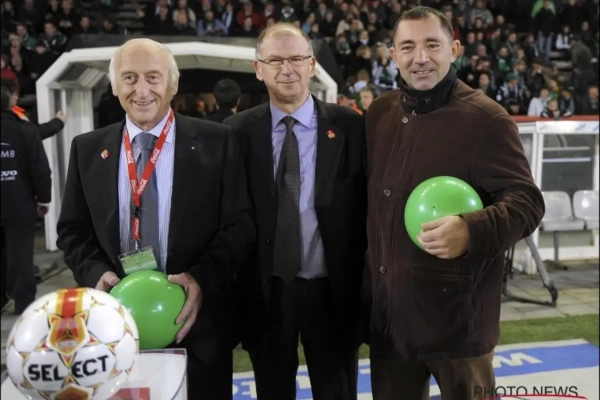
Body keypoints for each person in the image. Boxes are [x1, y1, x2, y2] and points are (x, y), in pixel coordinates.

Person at [56, 38, 255, 399]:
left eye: (153, 77)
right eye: (129, 78)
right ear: (114, 86)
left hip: (197, 325)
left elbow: (239, 226)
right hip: (116, 328)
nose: (142, 90)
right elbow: (72, 231)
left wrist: (200, 279)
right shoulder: (87, 149)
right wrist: (96, 274)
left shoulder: (218, 141)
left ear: (173, 84)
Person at [365, 7, 545, 399]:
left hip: (460, 329)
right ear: (392, 55)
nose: (420, 57)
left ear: (455, 49)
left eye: (432, 45)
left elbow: (528, 202)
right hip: (391, 328)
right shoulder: (379, 114)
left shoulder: (486, 119)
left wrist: (471, 230)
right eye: (407, 47)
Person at [223, 23, 368, 400]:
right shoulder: (236, 132)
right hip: (266, 292)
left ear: (312, 65)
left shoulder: (350, 126)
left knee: (337, 393)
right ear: (259, 69)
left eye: (296, 59)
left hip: (332, 291)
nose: (286, 69)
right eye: (275, 60)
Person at [1, 87, 51, 315]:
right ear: (10, 104)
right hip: (19, 202)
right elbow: (39, 169)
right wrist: (43, 199)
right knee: (20, 253)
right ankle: (23, 303)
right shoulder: (25, 130)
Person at [0, 78, 67, 140]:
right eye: (14, 94)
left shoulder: (15, 112)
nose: (17, 97)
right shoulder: (8, 119)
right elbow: (32, 133)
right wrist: (58, 122)